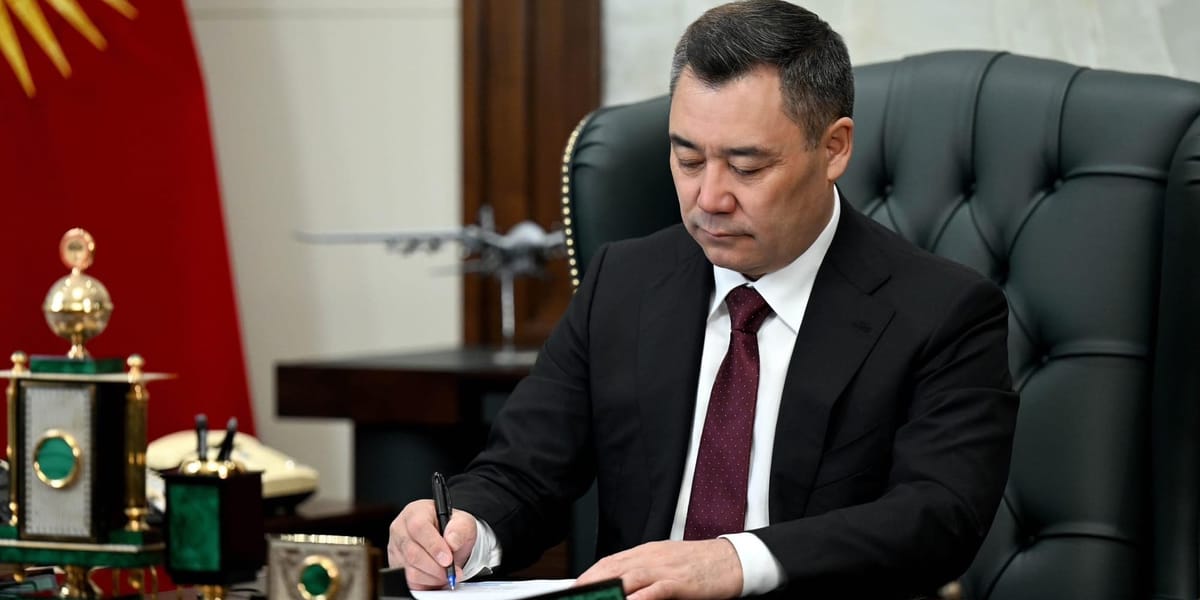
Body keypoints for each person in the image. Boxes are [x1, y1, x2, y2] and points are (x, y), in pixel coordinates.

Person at [389, 1, 1018, 598]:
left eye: (747, 167)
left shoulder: (942, 311)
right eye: (688, 159)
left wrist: (734, 561)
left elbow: (937, 517)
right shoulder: (624, 283)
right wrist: (467, 529)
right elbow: (523, 471)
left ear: (834, 148)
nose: (710, 199)